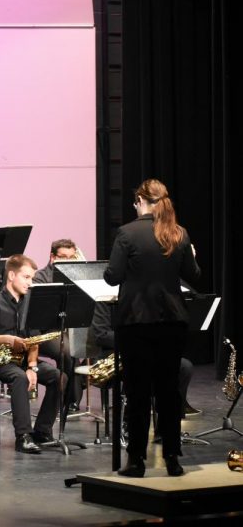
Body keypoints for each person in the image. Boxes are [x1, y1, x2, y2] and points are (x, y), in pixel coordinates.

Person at [104, 179, 200, 477]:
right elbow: (193, 275)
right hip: (172, 322)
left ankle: (136, 461)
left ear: (141, 201)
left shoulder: (127, 233)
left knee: (138, 393)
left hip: (136, 322)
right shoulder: (178, 233)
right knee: (169, 392)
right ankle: (172, 458)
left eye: (136, 203)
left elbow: (112, 276)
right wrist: (191, 255)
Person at [0, 254, 65, 454]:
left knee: (59, 377)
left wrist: (32, 366)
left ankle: (42, 431)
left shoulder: (30, 303)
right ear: (12, 275)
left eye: (32, 278)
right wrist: (5, 339)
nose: (30, 282)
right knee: (19, 378)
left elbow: (34, 341)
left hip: (23, 360)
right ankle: (23, 436)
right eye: (26, 277)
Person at [31, 238, 84, 410]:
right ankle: (67, 402)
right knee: (68, 352)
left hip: (71, 328)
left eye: (71, 258)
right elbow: (40, 313)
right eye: (63, 257)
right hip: (47, 331)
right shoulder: (40, 277)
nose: (68, 262)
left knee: (103, 341)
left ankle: (75, 389)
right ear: (52, 257)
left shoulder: (78, 275)